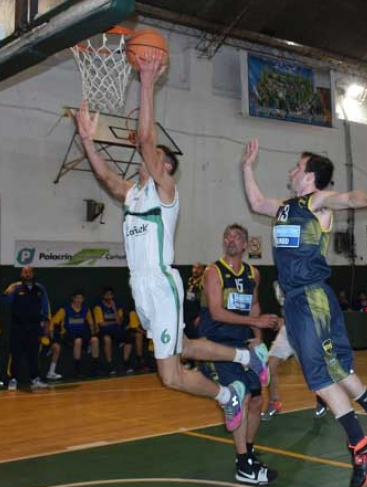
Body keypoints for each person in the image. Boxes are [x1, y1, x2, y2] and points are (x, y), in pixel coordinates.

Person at [75, 50, 272, 433]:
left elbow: (146, 137)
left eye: (156, 157)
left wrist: (147, 84)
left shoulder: (165, 191)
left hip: (162, 284)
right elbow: (105, 178)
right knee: (185, 347)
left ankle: (226, 395)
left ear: (165, 167)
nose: (146, 157)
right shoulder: (133, 194)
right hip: (141, 286)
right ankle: (250, 359)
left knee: (170, 375)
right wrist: (87, 141)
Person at [241, 139, 367, 487]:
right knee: (333, 369)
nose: (291, 172)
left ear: (310, 176)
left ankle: (361, 446)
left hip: (309, 297)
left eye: (296, 168)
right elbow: (255, 202)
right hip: (305, 300)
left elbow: (346, 198)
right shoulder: (285, 207)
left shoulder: (316, 202)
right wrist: (247, 167)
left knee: (318, 379)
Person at [199, 224, 279, 484]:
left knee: (256, 400)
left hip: (244, 344)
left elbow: (254, 305)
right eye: (227, 236)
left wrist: (257, 340)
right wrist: (253, 324)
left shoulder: (253, 274)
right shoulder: (213, 272)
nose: (230, 240)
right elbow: (216, 313)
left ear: (245, 245)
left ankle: (248, 450)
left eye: (236, 237)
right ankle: (243, 464)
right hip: (219, 345)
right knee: (240, 399)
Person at [261, 282, 331, 421]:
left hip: (305, 330)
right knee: (270, 366)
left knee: (311, 371)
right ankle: (274, 402)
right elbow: (285, 308)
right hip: (287, 331)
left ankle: (322, 399)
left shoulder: (303, 281)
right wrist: (281, 320)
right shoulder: (277, 284)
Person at [2, 266, 51, 391]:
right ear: (21, 274)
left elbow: (45, 307)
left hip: (34, 327)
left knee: (33, 354)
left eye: (30, 272)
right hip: (18, 326)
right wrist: (8, 291)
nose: (27, 274)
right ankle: (13, 379)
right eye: (25, 272)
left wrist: (46, 323)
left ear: (33, 273)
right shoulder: (15, 288)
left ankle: (35, 379)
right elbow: (6, 301)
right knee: (16, 353)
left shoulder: (40, 289)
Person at [50, 291, 97, 378]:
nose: (79, 300)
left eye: (81, 298)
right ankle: (77, 369)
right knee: (78, 341)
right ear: (73, 298)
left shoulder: (86, 309)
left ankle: (95, 367)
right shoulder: (64, 310)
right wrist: (52, 333)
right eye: (77, 298)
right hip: (68, 334)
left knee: (95, 340)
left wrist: (92, 332)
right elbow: (53, 321)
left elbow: (91, 323)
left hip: (82, 333)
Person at [93, 286, 124, 375]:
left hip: (115, 330)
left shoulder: (117, 305)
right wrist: (113, 322)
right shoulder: (98, 307)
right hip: (102, 331)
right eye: (107, 295)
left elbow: (119, 322)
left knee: (127, 338)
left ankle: (126, 363)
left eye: (110, 295)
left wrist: (114, 309)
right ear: (103, 296)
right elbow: (102, 324)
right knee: (107, 339)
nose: (109, 297)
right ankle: (109, 364)